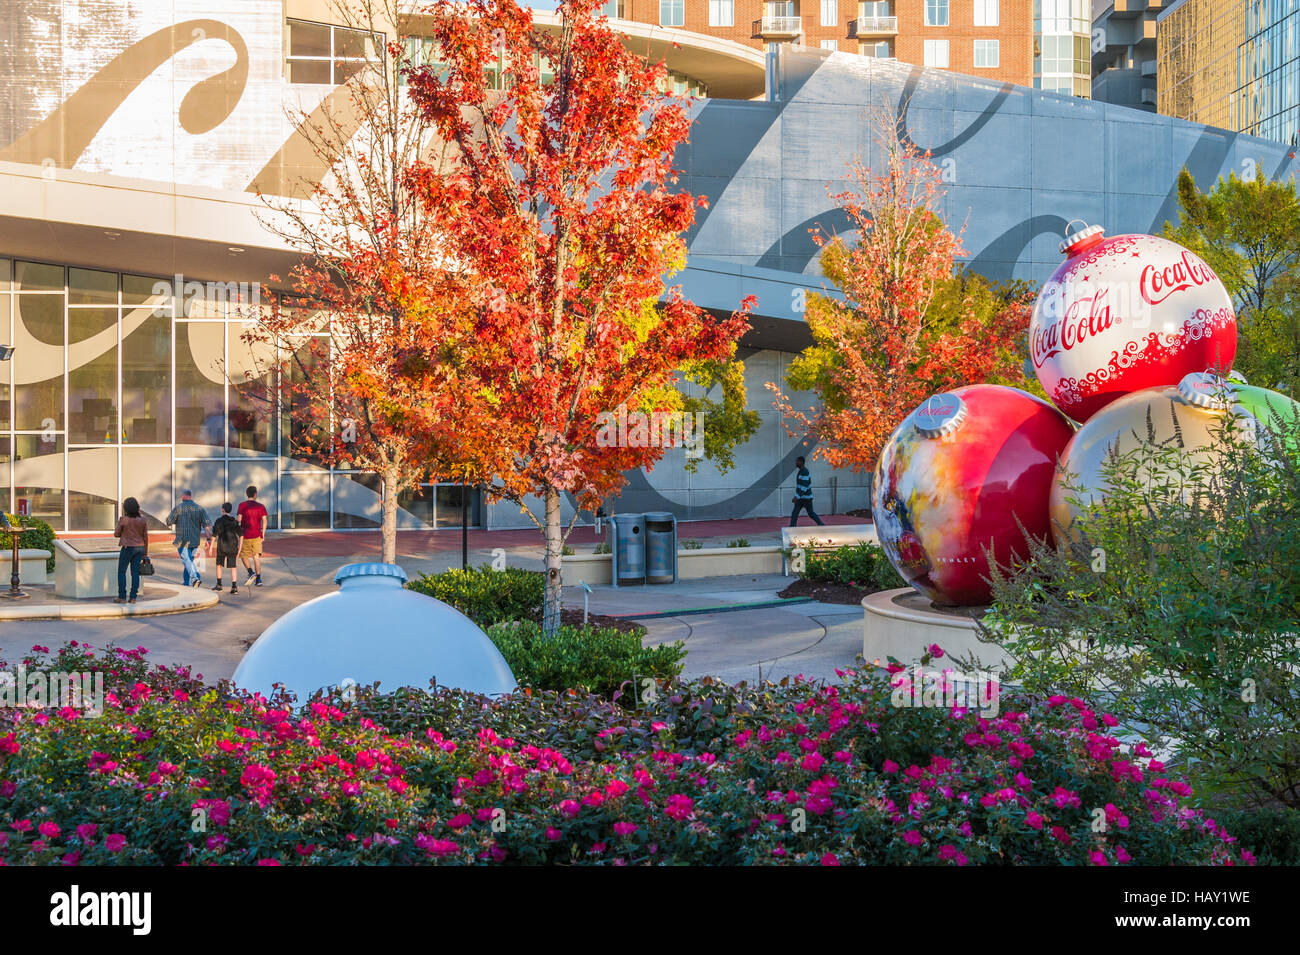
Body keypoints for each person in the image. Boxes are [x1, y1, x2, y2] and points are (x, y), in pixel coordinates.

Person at [165, 489, 210, 588]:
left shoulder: (178, 508)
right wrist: (209, 539)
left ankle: (195, 578)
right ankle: (187, 583)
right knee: (188, 561)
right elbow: (207, 525)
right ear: (191, 496)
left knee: (187, 560)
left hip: (182, 540)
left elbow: (168, 521)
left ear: (183, 496)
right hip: (195, 540)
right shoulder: (200, 509)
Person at [113, 497, 150, 604]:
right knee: (135, 573)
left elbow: (116, 534)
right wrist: (145, 553)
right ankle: (133, 597)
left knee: (122, 572)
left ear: (126, 508)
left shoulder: (123, 519)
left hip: (127, 547)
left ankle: (122, 596)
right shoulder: (143, 520)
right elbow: (145, 537)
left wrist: (123, 531)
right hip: (140, 548)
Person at [236, 485, 269, 587]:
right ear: (255, 494)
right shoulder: (261, 506)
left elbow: (239, 520)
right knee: (256, 557)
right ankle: (258, 579)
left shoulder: (242, 505)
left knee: (243, 556)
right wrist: (263, 534)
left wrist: (238, 532)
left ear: (247, 494)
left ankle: (251, 572)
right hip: (256, 535)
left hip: (245, 535)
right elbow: (264, 521)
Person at [209, 502, 243, 594]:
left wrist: (211, 546)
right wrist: (239, 548)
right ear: (230, 510)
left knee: (219, 565)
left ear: (222, 509)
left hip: (222, 546)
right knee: (233, 567)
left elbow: (214, 535)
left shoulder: (218, 521)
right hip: (232, 546)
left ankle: (219, 585)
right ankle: (234, 587)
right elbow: (241, 535)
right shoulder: (235, 522)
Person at [790, 455, 825, 527]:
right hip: (801, 498)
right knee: (795, 513)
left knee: (811, 514)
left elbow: (804, 486)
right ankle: (792, 528)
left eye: (797, 461)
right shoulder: (801, 471)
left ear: (801, 462)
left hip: (806, 498)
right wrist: (797, 496)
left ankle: (821, 525)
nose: (796, 463)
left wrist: (797, 496)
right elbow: (800, 486)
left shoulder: (805, 472)